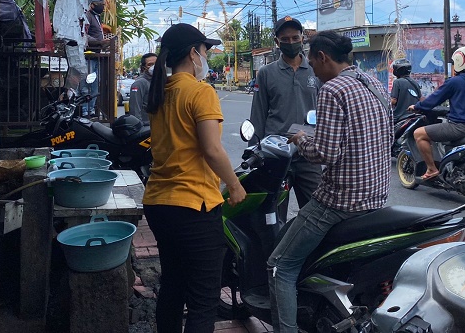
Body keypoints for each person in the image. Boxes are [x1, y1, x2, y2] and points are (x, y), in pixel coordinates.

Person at [270, 30, 393, 333]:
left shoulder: (332, 89)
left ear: (322, 58)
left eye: (312, 62)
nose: (312, 68)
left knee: (279, 266)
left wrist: (300, 138)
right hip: (376, 198)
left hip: (340, 201)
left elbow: (324, 152)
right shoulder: (373, 82)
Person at [142, 22, 246, 333]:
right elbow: (212, 150)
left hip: (159, 203)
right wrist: (236, 186)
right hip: (194, 207)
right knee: (203, 300)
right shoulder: (201, 91)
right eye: (204, 51)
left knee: (173, 286)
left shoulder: (160, 93)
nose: (206, 57)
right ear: (193, 53)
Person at [250, 16, 322, 222]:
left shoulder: (315, 70)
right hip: (276, 155)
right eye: (285, 39)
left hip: (309, 154)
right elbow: (258, 113)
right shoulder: (266, 73)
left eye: (295, 38)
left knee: (315, 212)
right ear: (277, 42)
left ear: (302, 39)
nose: (290, 43)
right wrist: (256, 152)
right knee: (273, 215)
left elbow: (324, 111)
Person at [408, 46, 465, 180]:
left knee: (419, 134)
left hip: (460, 127)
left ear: (458, 62)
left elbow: (434, 99)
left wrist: (417, 106)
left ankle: (432, 169)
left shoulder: (456, 81)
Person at [81, 0, 110, 117]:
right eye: (100, 4)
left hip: (95, 55)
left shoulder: (96, 17)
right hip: (89, 55)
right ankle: (85, 110)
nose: (103, 7)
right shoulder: (88, 15)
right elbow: (83, 34)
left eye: (103, 5)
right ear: (92, 5)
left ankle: (90, 110)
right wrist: (99, 41)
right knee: (87, 84)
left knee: (94, 85)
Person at [129, 52, 157, 123]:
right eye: (150, 64)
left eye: (156, 63)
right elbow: (135, 108)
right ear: (143, 67)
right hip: (146, 126)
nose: (154, 67)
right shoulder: (140, 83)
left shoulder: (160, 81)